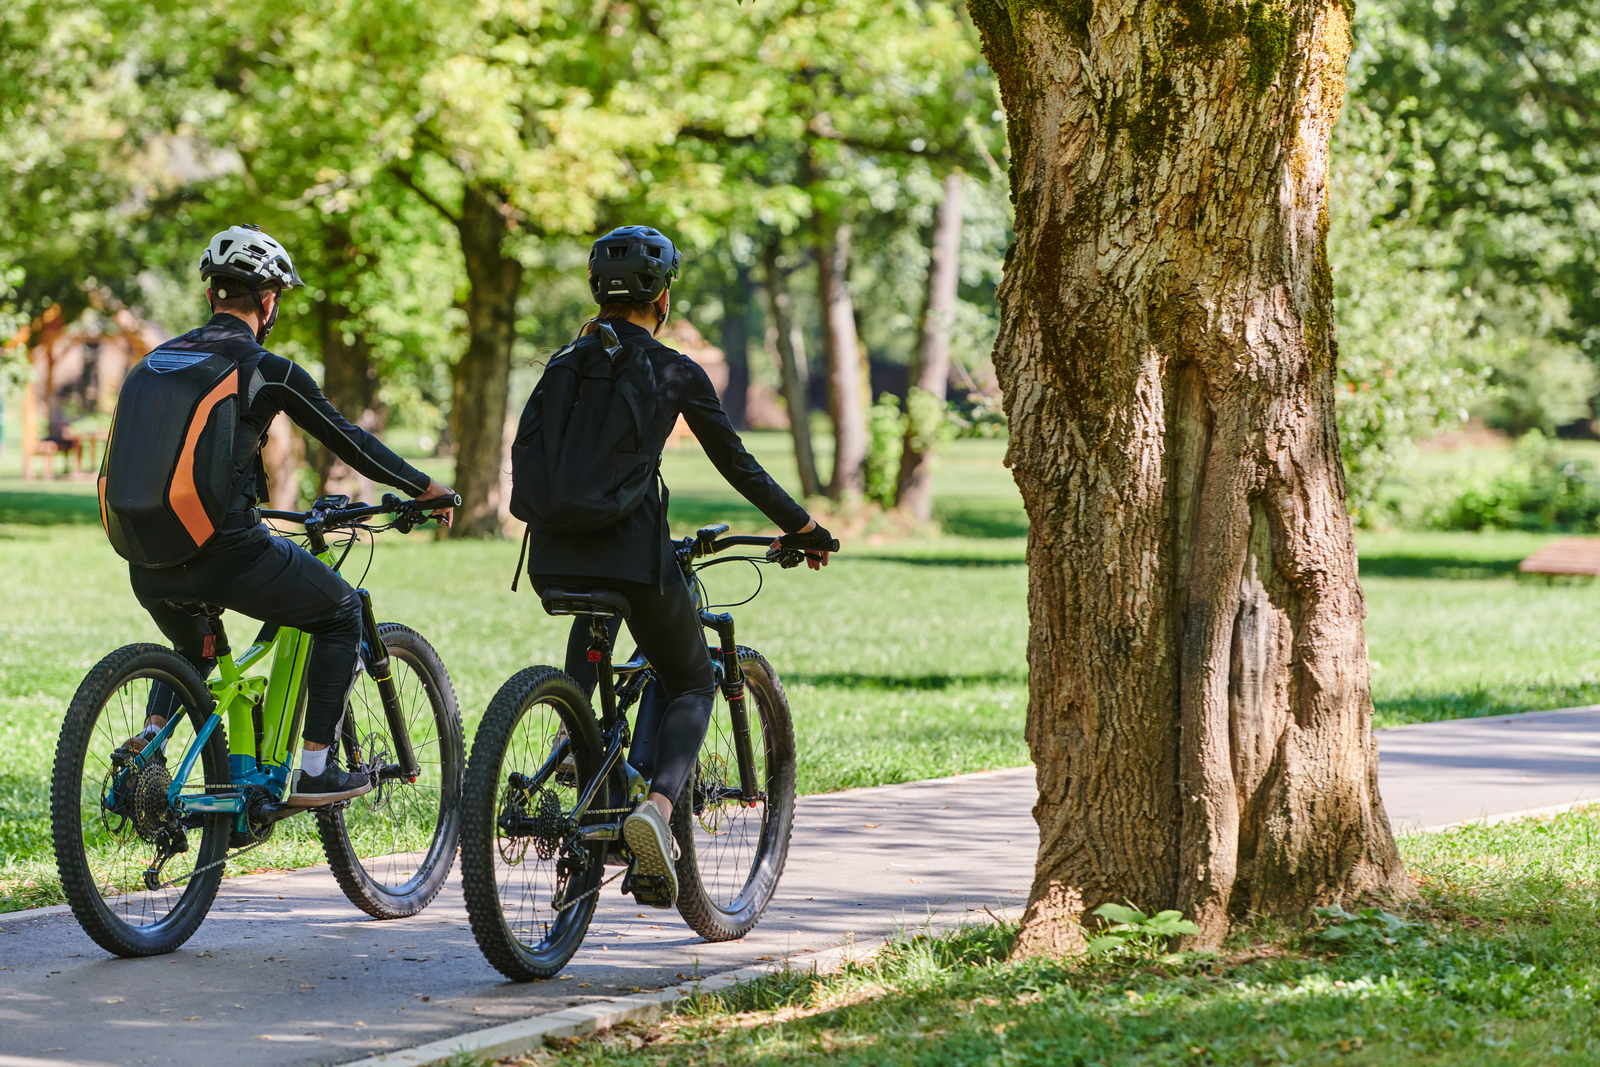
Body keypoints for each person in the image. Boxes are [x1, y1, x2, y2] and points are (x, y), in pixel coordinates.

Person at [524, 225, 836, 908]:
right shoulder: (673, 369)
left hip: (549, 556)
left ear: (597, 292)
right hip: (633, 556)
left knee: (598, 613)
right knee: (692, 678)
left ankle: (576, 734)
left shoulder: (561, 362)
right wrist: (804, 527)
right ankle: (658, 810)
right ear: (662, 298)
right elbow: (738, 464)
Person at [117, 224, 456, 805]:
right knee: (341, 612)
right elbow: (349, 442)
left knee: (197, 649)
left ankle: (148, 746)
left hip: (146, 561)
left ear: (212, 294)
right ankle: (317, 769)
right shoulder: (265, 368)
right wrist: (425, 488)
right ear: (269, 300)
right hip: (228, 555)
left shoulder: (155, 362)